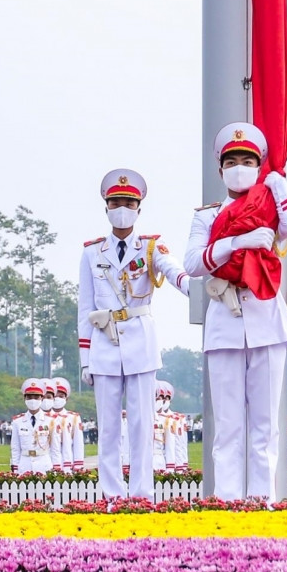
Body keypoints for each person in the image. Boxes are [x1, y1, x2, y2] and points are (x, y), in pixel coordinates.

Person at [183, 122, 287, 500]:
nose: (239, 166)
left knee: (266, 424)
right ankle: (229, 500)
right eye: (232, 160)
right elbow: (192, 263)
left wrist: (278, 183)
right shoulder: (207, 215)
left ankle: (262, 500)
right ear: (220, 170)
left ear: (259, 166)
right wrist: (237, 241)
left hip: (266, 322)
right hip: (225, 320)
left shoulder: (270, 209)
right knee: (229, 424)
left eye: (248, 160)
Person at [79, 168, 190, 499]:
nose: (122, 207)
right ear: (106, 207)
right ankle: (112, 494)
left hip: (141, 340)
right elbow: (84, 308)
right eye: (116, 202)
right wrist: (85, 358)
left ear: (139, 208)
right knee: (109, 426)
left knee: (143, 424)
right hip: (104, 343)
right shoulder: (91, 252)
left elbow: (173, 272)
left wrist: (195, 290)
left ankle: (142, 493)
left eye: (128, 202)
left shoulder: (151, 248)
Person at [11, 378, 56, 474]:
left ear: (42, 398)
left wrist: (56, 469)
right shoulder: (17, 421)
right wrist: (15, 469)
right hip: (24, 464)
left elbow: (55, 448)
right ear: (24, 398)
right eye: (29, 397)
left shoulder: (50, 421)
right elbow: (15, 448)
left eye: (36, 397)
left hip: (44, 464)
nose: (33, 400)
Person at [51, 377, 85, 471]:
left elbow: (78, 443)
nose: (57, 399)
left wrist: (78, 465)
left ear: (67, 398)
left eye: (61, 396)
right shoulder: (44, 417)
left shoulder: (73, 417)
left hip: (66, 460)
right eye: (54, 396)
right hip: (48, 460)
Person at [152, 381, 182, 473]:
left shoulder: (166, 420)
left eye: (161, 398)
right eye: (157, 398)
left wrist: (170, 468)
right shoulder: (140, 419)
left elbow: (170, 446)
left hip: (158, 463)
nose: (159, 400)